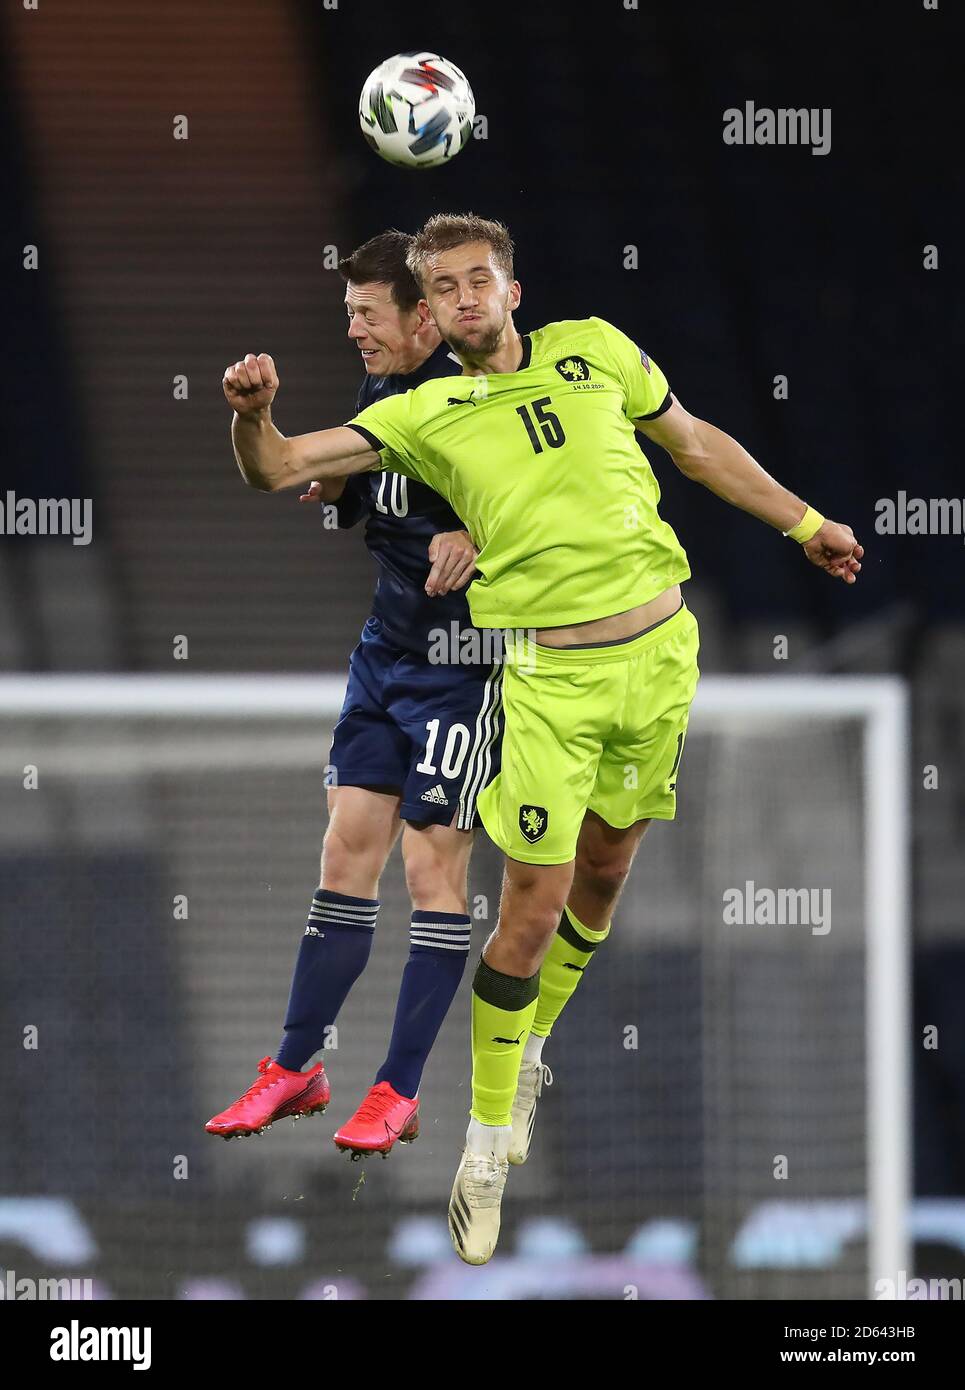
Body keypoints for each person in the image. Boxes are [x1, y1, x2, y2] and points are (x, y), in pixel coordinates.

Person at [222, 212, 862, 1262]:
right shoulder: (427, 413)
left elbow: (694, 447)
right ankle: (482, 1141)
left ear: (511, 291)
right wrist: (254, 415)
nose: (467, 299)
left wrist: (801, 523)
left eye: (483, 280)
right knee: (531, 898)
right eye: (447, 288)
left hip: (659, 658)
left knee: (605, 878)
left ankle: (528, 1053)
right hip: (548, 682)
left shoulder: (595, 349)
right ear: (431, 308)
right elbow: (280, 465)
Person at [206, 230, 499, 1160]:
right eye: (346, 316)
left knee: (430, 872)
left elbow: (564, 512)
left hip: (465, 669)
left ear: (420, 316)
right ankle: (296, 1067)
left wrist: (488, 541)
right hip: (385, 658)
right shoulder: (384, 400)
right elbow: (273, 469)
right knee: (344, 856)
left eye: (366, 315)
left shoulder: (480, 404)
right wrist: (255, 416)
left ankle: (398, 1089)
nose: (354, 332)